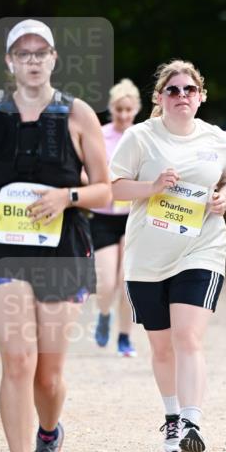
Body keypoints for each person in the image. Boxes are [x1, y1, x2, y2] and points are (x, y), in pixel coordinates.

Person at [0, 19, 110, 452]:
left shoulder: (77, 114)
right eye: (21, 53)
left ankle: (49, 434)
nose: (31, 59)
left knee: (48, 375)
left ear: (53, 59)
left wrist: (67, 196)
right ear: (9, 62)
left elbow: (105, 189)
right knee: (18, 361)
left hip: (62, 250)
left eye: (39, 52)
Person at [109, 59, 226, 452]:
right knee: (162, 346)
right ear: (159, 98)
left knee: (188, 337)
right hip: (148, 256)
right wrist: (151, 186)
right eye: (173, 90)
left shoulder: (216, 138)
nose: (181, 96)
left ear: (201, 97)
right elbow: (114, 189)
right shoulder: (139, 137)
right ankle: (171, 415)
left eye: (189, 90)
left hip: (201, 248)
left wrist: (224, 197)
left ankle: (192, 422)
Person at [89, 78, 142, 355]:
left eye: (128, 110)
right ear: (111, 109)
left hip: (133, 214)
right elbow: (85, 171)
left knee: (126, 280)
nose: (123, 115)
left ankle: (124, 337)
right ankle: (103, 314)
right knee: (106, 280)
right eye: (118, 109)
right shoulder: (99, 134)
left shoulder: (142, 136)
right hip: (103, 215)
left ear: (136, 110)